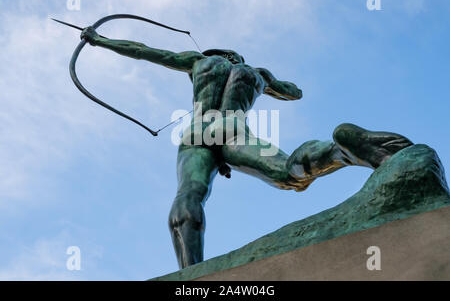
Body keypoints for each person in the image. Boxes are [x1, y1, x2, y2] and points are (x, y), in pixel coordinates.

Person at [80, 27, 413, 269]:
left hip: (197, 133)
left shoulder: (198, 62)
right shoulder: (253, 73)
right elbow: (293, 92)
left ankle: (191, 273)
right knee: (289, 174)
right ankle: (340, 149)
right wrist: (265, 80)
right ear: (236, 58)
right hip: (234, 131)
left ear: (211, 56)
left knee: (190, 194)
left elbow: (144, 50)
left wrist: (99, 40)